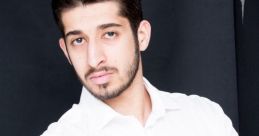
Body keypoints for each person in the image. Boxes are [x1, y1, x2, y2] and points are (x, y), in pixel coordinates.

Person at [42, 0, 238, 135]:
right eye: (78, 40)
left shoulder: (205, 119)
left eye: (109, 34)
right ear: (66, 51)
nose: (94, 59)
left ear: (142, 36)